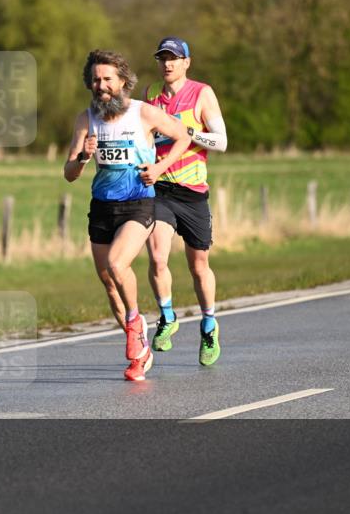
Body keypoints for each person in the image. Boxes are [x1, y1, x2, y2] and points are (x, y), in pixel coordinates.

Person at [65, 50, 192, 381]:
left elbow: (183, 136)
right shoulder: (85, 119)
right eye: (95, 80)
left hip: (138, 203)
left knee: (117, 266)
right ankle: (140, 353)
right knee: (109, 283)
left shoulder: (143, 113)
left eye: (107, 79)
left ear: (122, 81)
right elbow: (69, 172)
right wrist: (82, 157)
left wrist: (160, 167)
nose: (101, 85)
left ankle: (136, 323)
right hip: (102, 206)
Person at [142, 37, 228, 366]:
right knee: (157, 258)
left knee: (198, 266)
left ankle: (208, 323)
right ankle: (167, 317)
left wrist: (189, 133)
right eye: (163, 58)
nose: (167, 64)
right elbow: (145, 135)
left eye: (174, 58)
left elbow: (221, 141)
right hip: (160, 189)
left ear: (186, 62)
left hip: (193, 192)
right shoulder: (151, 94)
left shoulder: (201, 93)